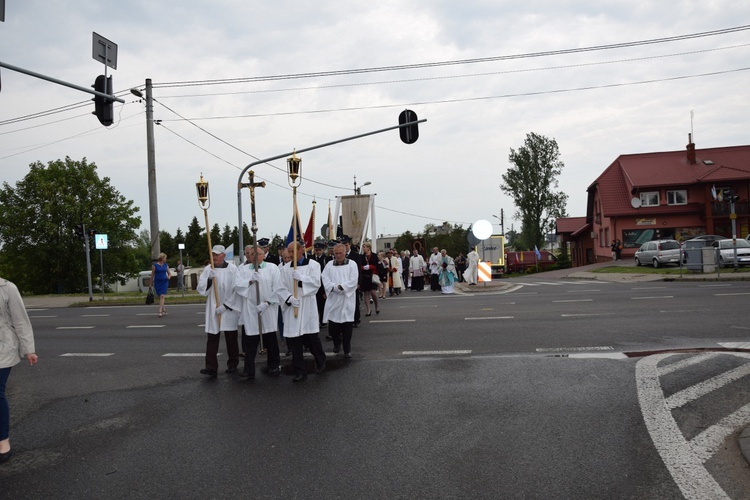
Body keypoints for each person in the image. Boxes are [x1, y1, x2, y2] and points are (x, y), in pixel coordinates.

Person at [0, 277, 38, 465]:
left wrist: (28, 349)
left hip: (2, 348)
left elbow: (20, 320)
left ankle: (3, 440)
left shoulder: (7, 288)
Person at [278, 241, 326, 382]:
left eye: (293, 251)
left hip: (307, 306)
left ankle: (321, 361)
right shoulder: (285, 269)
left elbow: (316, 283)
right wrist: (289, 298)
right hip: (293, 307)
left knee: (311, 339)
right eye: (289, 252)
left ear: (301, 250)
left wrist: (301, 280)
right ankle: (300, 371)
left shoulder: (313, 265)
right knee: (295, 341)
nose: (290, 254)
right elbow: (280, 287)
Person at [236, 245, 282, 379]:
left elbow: (278, 288)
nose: (254, 256)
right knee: (251, 340)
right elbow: (237, 285)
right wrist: (249, 281)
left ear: (263, 255)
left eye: (258, 254)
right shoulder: (243, 269)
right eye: (251, 254)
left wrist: (267, 303)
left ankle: (273, 366)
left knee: (270, 339)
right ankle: (249, 369)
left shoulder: (272, 268)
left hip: (268, 309)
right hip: (251, 309)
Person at [197, 245, 242, 377]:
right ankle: (211, 367)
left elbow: (237, 289)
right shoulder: (208, 269)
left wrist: (227, 305)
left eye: (217, 255)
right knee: (212, 336)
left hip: (228, 307)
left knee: (231, 337)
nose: (215, 257)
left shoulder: (232, 269)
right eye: (213, 255)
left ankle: (233, 364)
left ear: (223, 255)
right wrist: (210, 279)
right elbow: (201, 289)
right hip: (213, 306)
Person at [321, 243, 359, 357]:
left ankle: (347, 349)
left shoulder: (352, 264)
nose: (338, 255)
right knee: (333, 326)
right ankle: (337, 343)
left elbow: (353, 280)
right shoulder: (329, 265)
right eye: (336, 253)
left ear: (345, 252)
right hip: (334, 299)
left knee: (347, 326)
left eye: (340, 253)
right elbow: (324, 278)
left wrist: (342, 287)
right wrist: (334, 287)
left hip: (347, 299)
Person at [311, 241, 330, 327]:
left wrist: (325, 290)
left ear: (323, 250)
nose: (317, 251)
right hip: (313, 285)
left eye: (319, 250)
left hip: (322, 285)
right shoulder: (311, 259)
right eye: (316, 249)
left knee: (322, 304)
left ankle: (323, 320)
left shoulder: (326, 259)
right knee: (313, 305)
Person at [359, 242, 380, 315]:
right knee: (366, 293)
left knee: (373, 292)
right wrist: (363, 267)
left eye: (364, 247)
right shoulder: (361, 257)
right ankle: (368, 310)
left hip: (372, 276)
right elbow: (359, 266)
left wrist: (370, 267)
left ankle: (376, 305)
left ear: (368, 248)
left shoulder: (374, 256)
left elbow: (377, 266)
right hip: (365, 276)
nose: (363, 248)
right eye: (363, 247)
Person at [150, 252, 171, 317]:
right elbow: (152, 275)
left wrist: (168, 277)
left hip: (164, 282)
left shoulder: (166, 265)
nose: (166, 259)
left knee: (162, 296)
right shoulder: (155, 266)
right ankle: (164, 309)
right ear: (162, 258)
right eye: (165, 258)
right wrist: (150, 284)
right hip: (157, 282)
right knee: (160, 296)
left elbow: (169, 273)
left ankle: (160, 311)